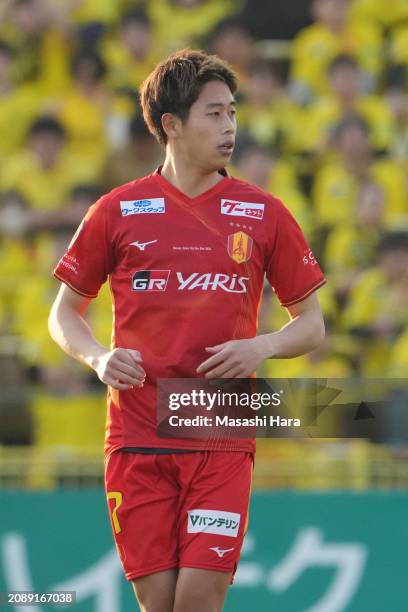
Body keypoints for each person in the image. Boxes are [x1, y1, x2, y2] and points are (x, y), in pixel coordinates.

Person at [48, 49, 326, 612]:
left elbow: (313, 325)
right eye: (214, 114)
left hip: (219, 430)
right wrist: (99, 358)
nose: (230, 128)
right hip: (136, 431)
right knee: (158, 602)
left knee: (199, 597)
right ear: (171, 125)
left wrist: (262, 345)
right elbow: (63, 314)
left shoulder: (263, 212)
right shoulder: (117, 210)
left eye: (232, 113)